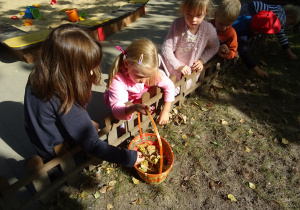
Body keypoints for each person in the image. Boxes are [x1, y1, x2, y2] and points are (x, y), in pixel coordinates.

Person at [24, 24, 144, 167]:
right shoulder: (62, 96)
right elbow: (91, 143)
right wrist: (128, 157)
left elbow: (66, 115)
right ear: (69, 69)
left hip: (42, 140)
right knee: (79, 164)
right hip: (58, 152)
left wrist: (82, 120)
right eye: (88, 69)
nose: (92, 73)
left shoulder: (41, 74)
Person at [104, 38, 175, 125]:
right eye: (140, 76)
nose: (144, 80)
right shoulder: (118, 80)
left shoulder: (152, 73)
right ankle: (122, 123)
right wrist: (132, 108)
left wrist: (166, 111)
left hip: (139, 98)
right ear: (127, 64)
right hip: (127, 102)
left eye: (148, 76)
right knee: (123, 116)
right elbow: (117, 109)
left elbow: (169, 86)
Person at [161, 0, 219, 89]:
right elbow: (166, 47)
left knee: (180, 87)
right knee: (155, 58)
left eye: (198, 15)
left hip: (188, 72)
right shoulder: (177, 24)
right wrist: (177, 65)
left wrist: (202, 60)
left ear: (206, 12)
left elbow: (215, 46)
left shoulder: (208, 30)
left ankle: (168, 95)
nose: (193, 19)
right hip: (171, 64)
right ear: (184, 11)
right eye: (189, 14)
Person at [234, 1, 300, 78]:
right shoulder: (243, 35)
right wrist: (257, 69)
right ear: (257, 32)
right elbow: (243, 52)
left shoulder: (248, 18)